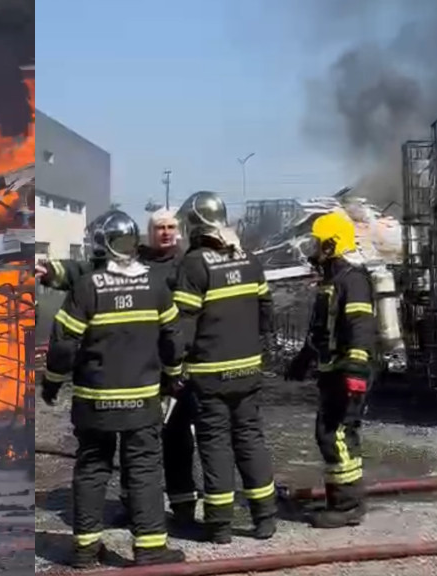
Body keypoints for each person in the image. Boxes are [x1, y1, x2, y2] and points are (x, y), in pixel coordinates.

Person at [40, 210, 186, 568]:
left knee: (92, 469)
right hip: (142, 401)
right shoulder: (154, 286)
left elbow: (63, 344)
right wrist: (173, 376)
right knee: (144, 470)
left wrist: (52, 383)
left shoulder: (87, 287)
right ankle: (150, 548)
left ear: (101, 245)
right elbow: (173, 339)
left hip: (94, 402)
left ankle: (86, 550)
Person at [172, 191, 278, 544]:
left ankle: (219, 525)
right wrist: (252, 343)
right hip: (248, 370)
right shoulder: (248, 259)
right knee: (250, 439)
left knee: (215, 443)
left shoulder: (194, 265)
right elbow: (266, 311)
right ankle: (265, 518)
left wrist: (173, 364)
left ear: (194, 225)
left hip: (210, 375)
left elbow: (182, 325)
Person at [284, 211, 376, 529]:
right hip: (333, 369)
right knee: (334, 433)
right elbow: (323, 329)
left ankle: (348, 505)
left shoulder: (352, 279)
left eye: (317, 242)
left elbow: (360, 326)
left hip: (347, 371)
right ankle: (341, 499)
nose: (313, 248)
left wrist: (355, 369)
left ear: (332, 244)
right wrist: (304, 359)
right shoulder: (332, 280)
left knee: (335, 434)